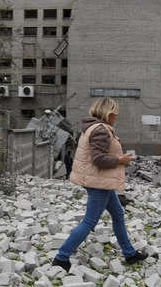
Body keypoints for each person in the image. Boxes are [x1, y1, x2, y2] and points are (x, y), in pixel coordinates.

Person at [52, 97, 148, 272]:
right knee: (90, 221)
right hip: (99, 181)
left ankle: (130, 253)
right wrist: (121, 159)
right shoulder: (100, 130)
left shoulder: (94, 127)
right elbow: (98, 159)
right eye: (115, 112)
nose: (116, 116)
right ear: (108, 113)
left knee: (118, 213)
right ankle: (61, 257)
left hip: (100, 180)